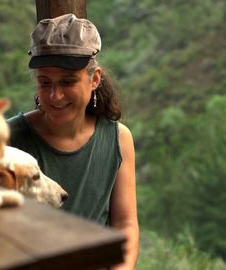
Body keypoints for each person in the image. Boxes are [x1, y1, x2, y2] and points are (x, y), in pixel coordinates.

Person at [7, 14, 139, 269]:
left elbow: (126, 224)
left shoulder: (118, 139)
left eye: (68, 82)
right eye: (45, 82)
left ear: (95, 79)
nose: (55, 96)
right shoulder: (8, 139)